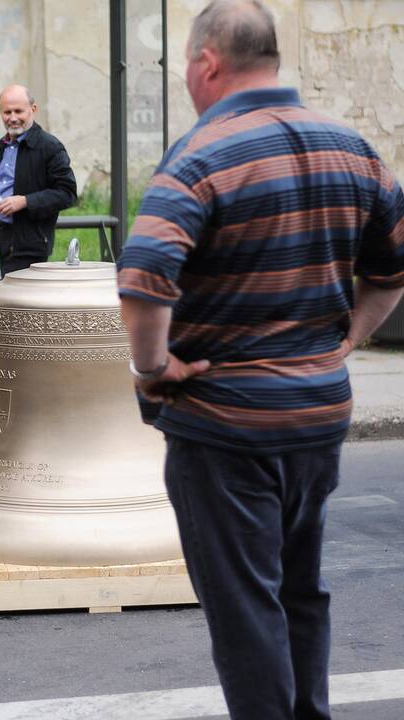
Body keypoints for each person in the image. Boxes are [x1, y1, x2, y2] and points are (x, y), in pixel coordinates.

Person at [117, 1, 404, 717]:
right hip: (317, 417)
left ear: (208, 63)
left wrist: (153, 370)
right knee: (299, 592)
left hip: (226, 427)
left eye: (186, 65)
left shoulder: (201, 157)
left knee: (247, 610)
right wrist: (351, 337)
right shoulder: (353, 147)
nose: (186, 79)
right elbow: (394, 267)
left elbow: (145, 280)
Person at [0, 84, 77, 409]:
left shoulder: (48, 146)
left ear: (33, 110)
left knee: (10, 318)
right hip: (5, 243)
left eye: (19, 111)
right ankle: (32, 385)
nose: (13, 117)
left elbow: (67, 192)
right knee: (17, 320)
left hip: (31, 244)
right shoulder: (1, 147)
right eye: (7, 112)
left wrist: (25, 201)